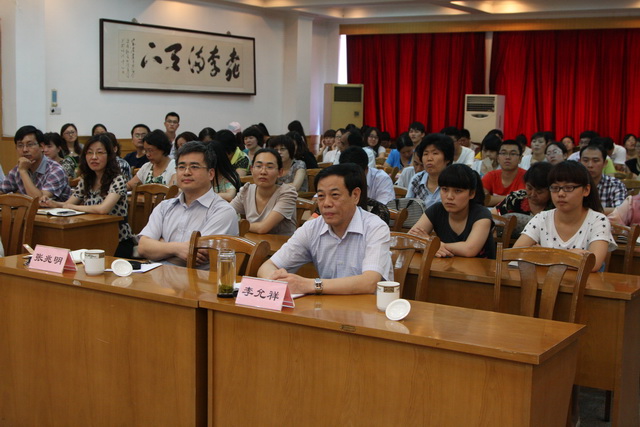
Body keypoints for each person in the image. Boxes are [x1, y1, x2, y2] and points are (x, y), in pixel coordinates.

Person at [257, 163, 393, 294]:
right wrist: (275, 277)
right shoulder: (312, 228)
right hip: (325, 306)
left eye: (335, 195)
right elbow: (266, 267)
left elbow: (370, 282)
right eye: (321, 196)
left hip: (369, 307)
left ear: (355, 195)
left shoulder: (375, 227)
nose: (326, 203)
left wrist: (308, 285)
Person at [138, 141, 239, 267]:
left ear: (210, 174)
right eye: (181, 167)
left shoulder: (222, 211)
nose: (186, 172)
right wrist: (177, 248)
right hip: (154, 274)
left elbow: (194, 256)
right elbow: (143, 247)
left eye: (194, 167)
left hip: (194, 278)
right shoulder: (165, 206)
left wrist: (160, 245)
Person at [40, 134, 135, 258]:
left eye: (99, 153)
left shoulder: (118, 179)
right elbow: (69, 204)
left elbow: (103, 209)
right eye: (89, 153)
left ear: (109, 156)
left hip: (117, 239)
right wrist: (53, 203)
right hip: (91, 235)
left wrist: (73, 207)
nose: (94, 157)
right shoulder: (86, 179)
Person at [514, 161, 616, 272]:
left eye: (568, 188)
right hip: (545, 282)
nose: (560, 194)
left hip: (582, 283)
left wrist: (542, 254)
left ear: (586, 190)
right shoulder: (542, 218)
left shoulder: (598, 221)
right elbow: (515, 253)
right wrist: (569, 256)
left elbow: (593, 263)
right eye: (555, 188)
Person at [409, 164, 494, 258]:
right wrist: (428, 243)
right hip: (444, 266)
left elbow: (469, 249)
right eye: (445, 189)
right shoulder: (436, 209)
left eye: (457, 191)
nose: (449, 197)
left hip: (480, 267)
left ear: (472, 194)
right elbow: (409, 239)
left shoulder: (482, 214)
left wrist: (430, 243)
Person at [230, 148, 297, 235]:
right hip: (253, 242)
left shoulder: (287, 194)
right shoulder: (246, 190)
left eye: (269, 167)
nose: (263, 172)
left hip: (281, 243)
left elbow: (263, 228)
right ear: (252, 170)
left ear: (280, 172)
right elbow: (226, 212)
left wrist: (237, 225)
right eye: (258, 166)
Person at [0, 125, 71, 201]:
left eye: (30, 145)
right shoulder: (18, 169)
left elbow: (39, 200)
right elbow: (2, 190)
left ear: (42, 147)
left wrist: (23, 172)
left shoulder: (56, 170)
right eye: (20, 145)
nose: (24, 150)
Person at [407, 133, 454, 209]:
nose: (429, 158)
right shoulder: (417, 179)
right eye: (425, 154)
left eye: (435, 153)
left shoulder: (455, 181)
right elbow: (407, 207)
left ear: (447, 158)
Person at [579, 142, 626, 213]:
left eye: (595, 161)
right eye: (585, 160)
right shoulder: (573, 184)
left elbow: (621, 211)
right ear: (579, 162)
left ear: (605, 163)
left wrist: (587, 213)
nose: (590, 165)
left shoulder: (615, 184)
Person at [482, 140, 526, 206]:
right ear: (498, 158)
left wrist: (492, 199)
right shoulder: (491, 175)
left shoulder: (526, 177)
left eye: (513, 154)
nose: (507, 157)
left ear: (520, 159)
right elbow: (482, 199)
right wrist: (511, 198)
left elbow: (521, 201)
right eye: (503, 153)